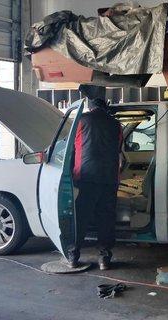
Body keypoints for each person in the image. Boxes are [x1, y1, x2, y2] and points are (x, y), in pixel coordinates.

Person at [70, 97, 122, 270]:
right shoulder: (116, 125)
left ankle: (73, 256)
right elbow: (118, 148)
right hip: (109, 178)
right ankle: (104, 259)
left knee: (81, 218)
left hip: (85, 177)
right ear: (105, 107)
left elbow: (71, 147)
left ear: (89, 108)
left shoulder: (81, 121)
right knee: (106, 218)